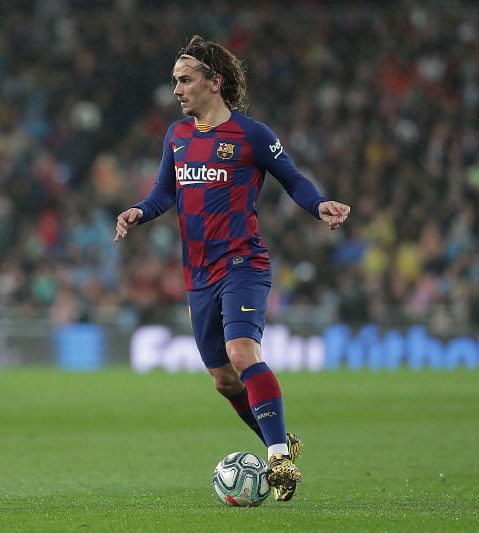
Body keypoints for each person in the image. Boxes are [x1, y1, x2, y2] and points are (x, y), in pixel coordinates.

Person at [114, 35, 350, 501]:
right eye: (174, 81)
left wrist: (320, 204)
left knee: (243, 353)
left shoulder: (252, 135)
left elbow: (293, 179)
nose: (177, 90)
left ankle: (279, 459)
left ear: (213, 82)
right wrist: (139, 210)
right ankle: (280, 441)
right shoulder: (177, 137)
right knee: (224, 379)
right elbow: (165, 192)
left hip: (243, 263)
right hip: (197, 275)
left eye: (185, 80)